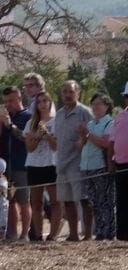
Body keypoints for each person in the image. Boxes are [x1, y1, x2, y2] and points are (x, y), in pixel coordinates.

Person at [53, 80, 92, 241]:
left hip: (78, 162)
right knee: (67, 200)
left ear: (78, 93)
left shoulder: (84, 112)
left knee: (83, 199)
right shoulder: (59, 114)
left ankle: (88, 234)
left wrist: (83, 140)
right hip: (62, 162)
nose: (68, 95)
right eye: (65, 92)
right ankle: (73, 234)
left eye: (71, 92)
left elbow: (92, 131)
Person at [0, 86, 32, 240]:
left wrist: (10, 126)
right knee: (10, 201)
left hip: (22, 165)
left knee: (24, 201)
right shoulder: (4, 116)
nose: (8, 104)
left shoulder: (28, 116)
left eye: (11, 101)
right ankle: (12, 233)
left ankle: (25, 234)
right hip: (6, 165)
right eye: (5, 102)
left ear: (19, 98)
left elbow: (26, 138)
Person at [24, 91, 61, 241]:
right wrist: (37, 137)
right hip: (34, 165)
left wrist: (47, 135)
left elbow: (55, 146)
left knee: (55, 202)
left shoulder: (57, 122)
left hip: (51, 164)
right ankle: (38, 234)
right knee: (36, 202)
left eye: (45, 101)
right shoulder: (30, 123)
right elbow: (29, 148)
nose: (42, 104)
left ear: (50, 103)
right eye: (39, 102)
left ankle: (53, 235)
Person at [78, 93, 115, 240]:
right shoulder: (90, 124)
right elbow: (81, 144)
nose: (95, 107)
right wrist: (82, 136)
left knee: (105, 200)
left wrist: (88, 135)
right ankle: (99, 231)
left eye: (99, 104)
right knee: (94, 202)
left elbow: (106, 143)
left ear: (107, 106)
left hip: (101, 166)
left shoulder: (109, 123)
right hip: (87, 166)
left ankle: (109, 231)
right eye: (93, 104)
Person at [111, 82, 128, 241]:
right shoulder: (120, 117)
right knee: (122, 200)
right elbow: (112, 140)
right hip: (121, 164)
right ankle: (122, 233)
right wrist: (111, 162)